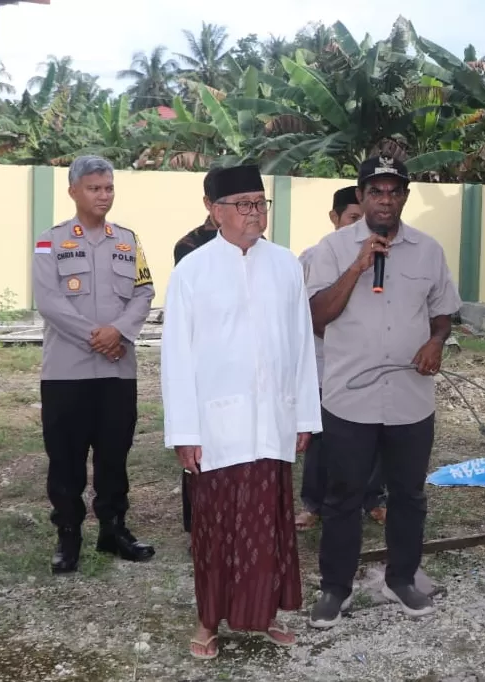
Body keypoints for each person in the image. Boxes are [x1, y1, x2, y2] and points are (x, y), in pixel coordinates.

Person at [161, 164, 321, 657]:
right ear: (213, 210)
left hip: (272, 419)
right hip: (216, 426)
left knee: (267, 524)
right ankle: (209, 621)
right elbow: (176, 357)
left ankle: (264, 613)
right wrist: (185, 431)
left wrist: (304, 416)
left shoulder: (285, 265)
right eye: (243, 204)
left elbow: (301, 346)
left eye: (260, 203)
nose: (255, 213)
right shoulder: (192, 271)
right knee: (216, 529)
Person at [305, 156, 462, 628]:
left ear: (404, 198)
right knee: (343, 496)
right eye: (377, 191)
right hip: (348, 400)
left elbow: (442, 311)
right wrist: (358, 266)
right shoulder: (331, 250)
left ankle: (402, 579)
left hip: (411, 398)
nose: (386, 200)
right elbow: (316, 317)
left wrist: (436, 342)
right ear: (361, 197)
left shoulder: (429, 251)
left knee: (409, 495)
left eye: (395, 192)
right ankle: (335, 588)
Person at [32, 155, 156, 574]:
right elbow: (49, 301)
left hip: (118, 372)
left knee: (114, 456)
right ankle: (68, 535)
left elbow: (144, 291)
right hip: (67, 373)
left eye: (108, 188)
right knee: (65, 459)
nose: (103, 195)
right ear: (73, 191)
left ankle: (113, 529)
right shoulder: (50, 241)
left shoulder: (129, 240)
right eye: (94, 188)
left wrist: (119, 332)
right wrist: (98, 337)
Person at [295, 185, 388, 531]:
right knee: (323, 437)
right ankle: (313, 504)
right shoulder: (312, 258)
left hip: (372, 364)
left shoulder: (385, 254)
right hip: (326, 364)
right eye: (351, 218)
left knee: (376, 431)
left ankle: (374, 498)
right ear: (334, 218)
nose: (358, 225)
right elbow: (309, 315)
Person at [172, 165, 223, 534]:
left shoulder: (262, 249)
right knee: (199, 451)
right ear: (210, 203)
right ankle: (198, 526)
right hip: (204, 357)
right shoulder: (189, 247)